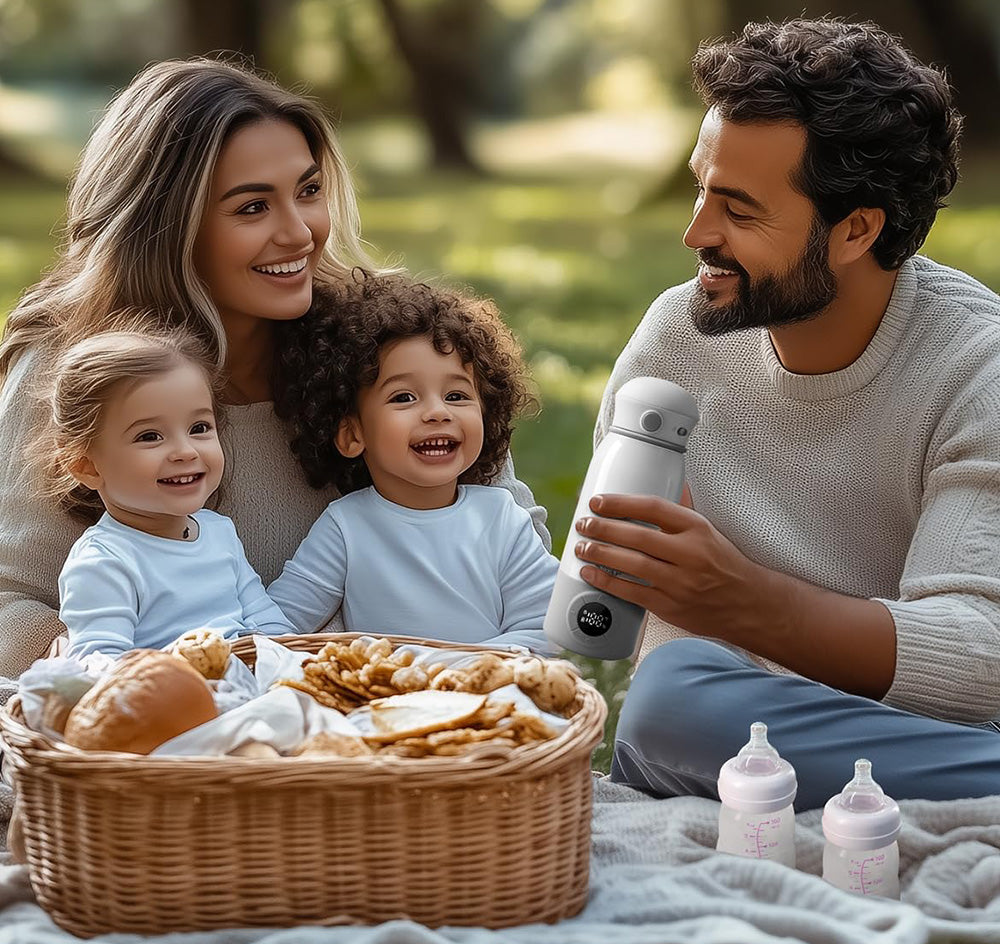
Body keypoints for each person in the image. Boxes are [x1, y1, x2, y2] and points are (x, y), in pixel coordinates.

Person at [0, 56, 548, 680]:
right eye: (252, 207)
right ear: (164, 227)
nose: (301, 233)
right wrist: (123, 670)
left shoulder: (389, 347)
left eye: (308, 192)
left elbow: (508, 532)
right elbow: (10, 597)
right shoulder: (69, 367)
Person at [572, 17, 1000, 809]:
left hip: (904, 728)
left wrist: (745, 600)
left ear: (858, 228)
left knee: (674, 715)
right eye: (701, 186)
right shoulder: (675, 342)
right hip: (720, 716)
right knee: (672, 700)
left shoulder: (977, 367)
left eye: (738, 208)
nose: (694, 230)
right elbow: (619, 625)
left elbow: (979, 662)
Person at [267, 273, 558, 652]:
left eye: (456, 395)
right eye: (404, 398)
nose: (437, 412)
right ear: (353, 434)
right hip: (386, 703)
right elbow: (277, 627)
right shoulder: (347, 527)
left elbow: (547, 629)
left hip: (495, 696)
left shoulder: (502, 518)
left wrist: (460, 671)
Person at [41, 328, 292, 658]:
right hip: (172, 701)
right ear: (87, 466)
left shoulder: (219, 531)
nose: (185, 451)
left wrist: (291, 663)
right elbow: (102, 669)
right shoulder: (105, 562)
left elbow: (266, 619)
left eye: (199, 428)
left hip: (250, 682)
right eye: (149, 436)